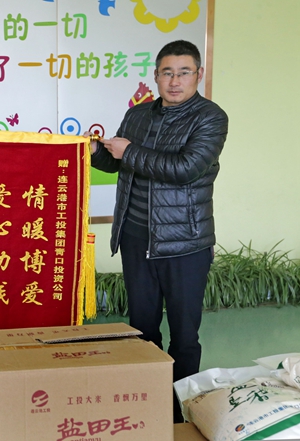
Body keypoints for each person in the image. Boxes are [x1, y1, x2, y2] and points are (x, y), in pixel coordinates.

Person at [88, 40, 228, 422]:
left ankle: (183, 413)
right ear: (156, 76)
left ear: (198, 75)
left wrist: (129, 151)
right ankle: (149, 404)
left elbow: (186, 168)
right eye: (167, 72)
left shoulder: (211, 118)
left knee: (184, 336)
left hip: (185, 244)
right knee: (142, 329)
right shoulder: (137, 115)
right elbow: (118, 164)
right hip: (136, 237)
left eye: (184, 72)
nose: (175, 81)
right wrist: (95, 151)